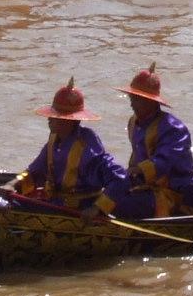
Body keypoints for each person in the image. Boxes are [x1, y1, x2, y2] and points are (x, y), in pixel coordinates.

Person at [101, 65, 193, 218]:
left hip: (170, 193)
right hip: (142, 186)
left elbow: (162, 162)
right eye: (132, 98)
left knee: (117, 205)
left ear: (152, 102)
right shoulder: (134, 122)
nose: (132, 104)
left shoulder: (173, 128)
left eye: (137, 100)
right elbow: (135, 158)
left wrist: (136, 171)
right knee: (102, 198)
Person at [12, 80, 129, 211]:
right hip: (54, 203)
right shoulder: (53, 141)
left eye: (55, 116)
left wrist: (97, 209)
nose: (49, 119)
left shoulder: (87, 146)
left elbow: (120, 178)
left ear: (68, 120)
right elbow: (35, 172)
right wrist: (12, 184)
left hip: (79, 210)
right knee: (11, 203)